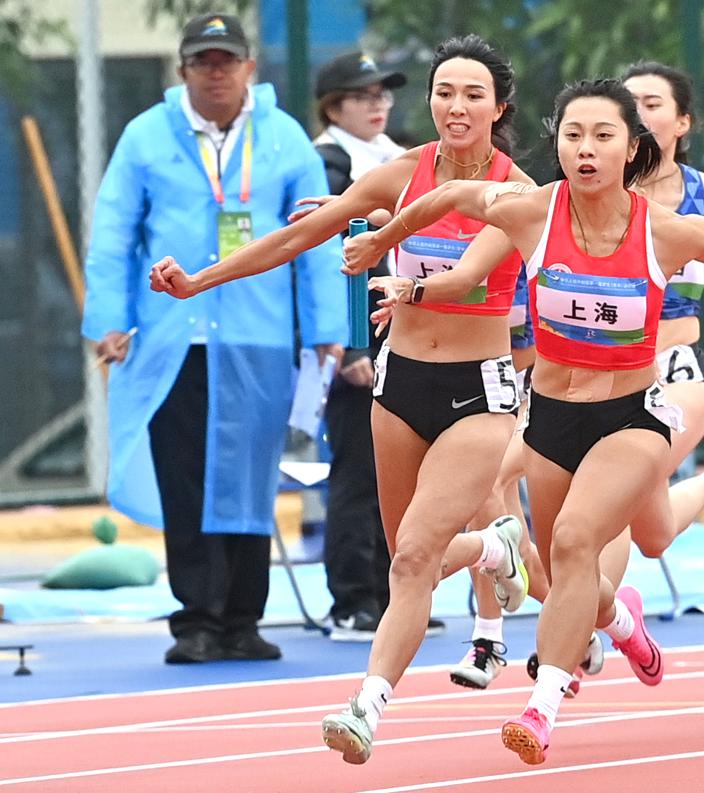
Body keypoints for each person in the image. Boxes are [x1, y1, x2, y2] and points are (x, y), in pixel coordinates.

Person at [344, 78, 704, 764]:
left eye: (603, 136)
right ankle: (624, 612)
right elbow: (444, 197)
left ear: (632, 148)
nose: (586, 150)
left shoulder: (668, 230)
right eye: (573, 136)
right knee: (592, 568)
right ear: (557, 143)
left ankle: (543, 704)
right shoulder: (531, 212)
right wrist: (385, 235)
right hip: (552, 419)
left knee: (576, 538)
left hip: (632, 416)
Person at [150, 35, 537, 761]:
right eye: (444, 91)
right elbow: (291, 241)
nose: (455, 106)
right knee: (406, 557)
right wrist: (199, 281)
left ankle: (366, 705)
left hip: (478, 393)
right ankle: (495, 547)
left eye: (473, 94)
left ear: (499, 107)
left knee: (412, 558)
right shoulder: (401, 172)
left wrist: (394, 259)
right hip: (400, 386)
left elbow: (468, 271)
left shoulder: (516, 194)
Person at [82, 13, 347, 664]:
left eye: (228, 60)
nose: (217, 71)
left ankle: (243, 618)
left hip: (257, 335)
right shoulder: (146, 137)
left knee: (251, 474)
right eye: (204, 61)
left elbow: (317, 239)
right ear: (183, 71)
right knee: (186, 476)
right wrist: (109, 319)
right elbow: (114, 232)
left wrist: (326, 331)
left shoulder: (284, 139)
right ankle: (196, 618)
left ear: (250, 67)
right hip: (175, 335)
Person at [309, 50, 409, 641]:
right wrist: (348, 347)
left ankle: (392, 593)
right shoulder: (326, 164)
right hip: (356, 334)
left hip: (404, 328)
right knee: (356, 470)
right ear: (333, 107)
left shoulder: (399, 160)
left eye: (383, 94)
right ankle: (352, 599)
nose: (378, 104)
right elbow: (325, 257)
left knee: (399, 472)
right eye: (362, 95)